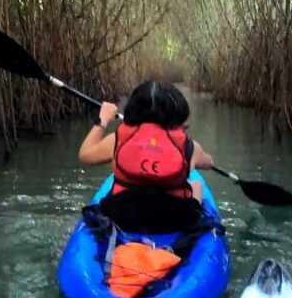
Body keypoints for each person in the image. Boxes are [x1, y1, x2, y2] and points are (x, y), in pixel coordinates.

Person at [78, 80, 214, 234]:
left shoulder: (117, 140)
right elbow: (209, 162)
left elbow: (85, 155)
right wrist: (198, 159)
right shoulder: (190, 146)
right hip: (174, 220)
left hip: (122, 217)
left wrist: (103, 119)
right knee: (197, 184)